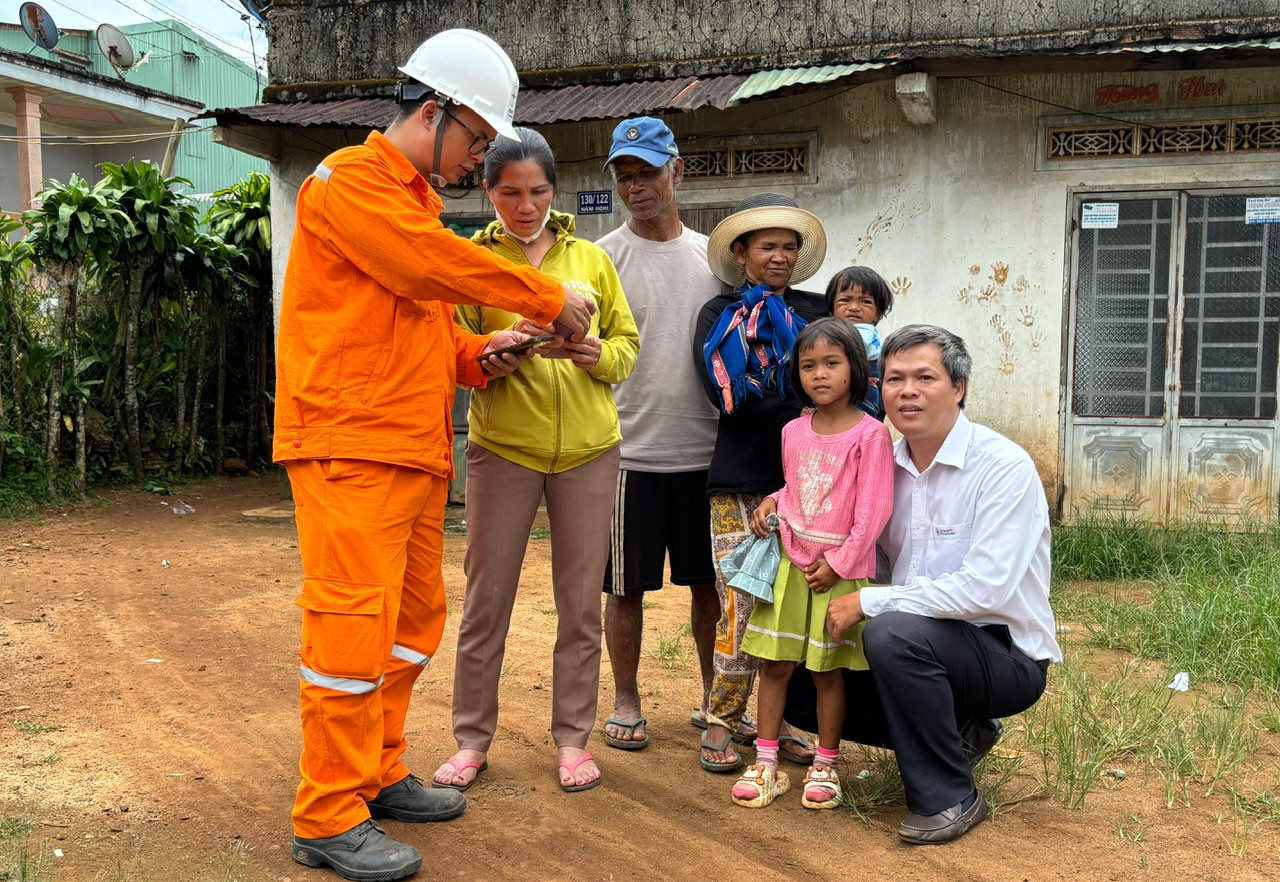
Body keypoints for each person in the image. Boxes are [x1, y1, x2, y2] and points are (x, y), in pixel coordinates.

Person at [275, 30, 596, 882]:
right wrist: (548, 294)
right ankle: (326, 812)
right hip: (351, 443)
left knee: (413, 625)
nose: (474, 163)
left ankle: (376, 771)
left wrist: (487, 354)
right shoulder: (346, 182)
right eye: (478, 145)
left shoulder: (409, 205)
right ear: (433, 112)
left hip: (411, 450)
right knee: (350, 631)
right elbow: (423, 268)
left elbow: (424, 327)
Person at [787, 324, 1062, 844]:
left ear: (958, 388)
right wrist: (776, 504)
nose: (907, 391)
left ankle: (950, 797)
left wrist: (867, 602)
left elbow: (986, 589)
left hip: (1002, 655)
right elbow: (846, 537)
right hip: (916, 642)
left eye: (924, 377)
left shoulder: (1003, 467)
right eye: (894, 379)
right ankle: (957, 732)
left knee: (892, 633)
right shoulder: (880, 466)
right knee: (803, 678)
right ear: (879, 389)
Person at [432, 127, 639, 794]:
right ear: (489, 191)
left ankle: (573, 741)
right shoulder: (469, 261)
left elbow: (627, 347)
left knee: (580, 604)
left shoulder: (593, 260)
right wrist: (498, 347)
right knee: (485, 602)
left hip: (589, 451)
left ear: (556, 189)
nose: (526, 207)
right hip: (502, 449)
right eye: (511, 193)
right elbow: (454, 349)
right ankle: (471, 740)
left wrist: (594, 354)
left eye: (539, 192)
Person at [596, 117, 723, 751]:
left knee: (710, 584)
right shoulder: (602, 259)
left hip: (708, 454)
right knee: (623, 587)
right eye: (625, 176)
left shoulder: (716, 260)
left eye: (647, 172)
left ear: (679, 169)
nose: (637, 186)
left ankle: (713, 697)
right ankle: (625, 696)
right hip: (627, 454)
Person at [732, 318, 894, 809]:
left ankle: (826, 764)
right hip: (789, 566)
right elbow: (800, 487)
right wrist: (771, 502)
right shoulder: (793, 431)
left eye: (831, 363)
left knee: (827, 673)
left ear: (857, 371)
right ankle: (765, 763)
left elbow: (872, 510)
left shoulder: (872, 436)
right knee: (774, 664)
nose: (819, 374)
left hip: (836, 575)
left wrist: (841, 564)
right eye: (808, 365)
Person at [694, 193, 827, 773]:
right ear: (741, 253)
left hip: (810, 485)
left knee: (799, 607)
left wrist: (799, 400)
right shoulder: (718, 317)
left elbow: (844, 387)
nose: (780, 255)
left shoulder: (819, 312)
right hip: (741, 482)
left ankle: (784, 723)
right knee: (741, 604)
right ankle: (723, 718)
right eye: (767, 245)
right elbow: (728, 399)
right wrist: (802, 403)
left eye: (789, 246)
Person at [823, 266, 894, 419]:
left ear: (878, 313)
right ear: (831, 309)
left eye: (865, 302)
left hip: (860, 402)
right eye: (845, 300)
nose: (854, 307)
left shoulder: (865, 334)